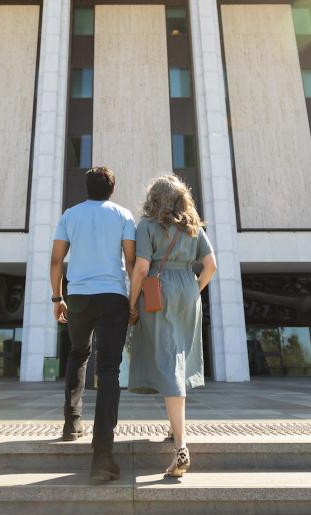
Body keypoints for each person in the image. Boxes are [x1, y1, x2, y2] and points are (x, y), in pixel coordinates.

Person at [127, 175, 217, 478]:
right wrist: (194, 289)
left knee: (168, 360)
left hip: (158, 290)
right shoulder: (193, 227)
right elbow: (211, 266)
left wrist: (132, 303)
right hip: (189, 291)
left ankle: (181, 445)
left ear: (155, 198)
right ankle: (173, 428)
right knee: (178, 356)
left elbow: (141, 268)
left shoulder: (148, 226)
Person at [50, 166, 136, 481]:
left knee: (77, 354)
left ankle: (72, 423)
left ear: (86, 188)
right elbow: (130, 261)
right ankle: (102, 455)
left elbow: (56, 260)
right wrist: (134, 301)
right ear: (112, 189)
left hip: (80, 298)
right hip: (113, 297)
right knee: (110, 370)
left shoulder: (69, 215)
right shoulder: (124, 215)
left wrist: (57, 298)